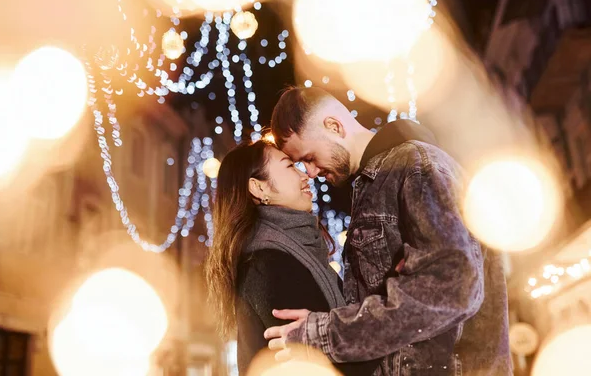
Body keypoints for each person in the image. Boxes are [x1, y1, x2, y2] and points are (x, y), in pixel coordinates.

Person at [264, 87, 512, 375]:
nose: (310, 172)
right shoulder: (379, 181)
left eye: (308, 157)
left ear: (334, 126)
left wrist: (325, 334)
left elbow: (452, 286)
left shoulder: (416, 166)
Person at [204, 140, 381, 375]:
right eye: (290, 167)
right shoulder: (269, 262)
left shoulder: (292, 251)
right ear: (259, 188)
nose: (305, 175)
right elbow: (331, 362)